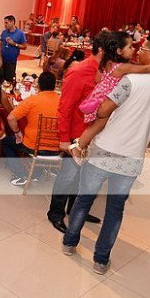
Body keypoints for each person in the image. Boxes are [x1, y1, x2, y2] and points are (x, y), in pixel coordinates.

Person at [62, 33, 150, 275]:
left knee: (84, 200)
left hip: (106, 148)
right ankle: (101, 261)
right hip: (133, 157)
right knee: (115, 211)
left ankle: (69, 243)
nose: (138, 51)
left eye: (142, 49)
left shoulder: (131, 79)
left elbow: (103, 110)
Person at [47, 33, 107, 233]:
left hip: (95, 136)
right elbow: (64, 108)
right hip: (76, 136)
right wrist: (64, 138)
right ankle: (55, 213)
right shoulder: (79, 71)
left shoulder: (108, 72)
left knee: (84, 177)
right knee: (67, 177)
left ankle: (74, 210)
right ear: (103, 50)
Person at [77, 31, 150, 126]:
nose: (135, 51)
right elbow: (146, 69)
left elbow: (102, 107)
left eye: (141, 49)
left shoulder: (125, 75)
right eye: (131, 47)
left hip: (105, 112)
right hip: (138, 132)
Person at [3, 72, 61, 186]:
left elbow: (10, 118)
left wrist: (17, 132)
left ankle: (20, 174)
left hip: (34, 146)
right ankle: (36, 173)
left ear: (38, 86)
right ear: (54, 86)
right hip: (57, 147)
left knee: (6, 142)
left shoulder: (33, 100)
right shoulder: (62, 101)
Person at [1, 15, 27, 82]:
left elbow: (24, 46)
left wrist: (14, 44)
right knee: (0, 79)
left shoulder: (20, 33)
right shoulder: (4, 32)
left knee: (9, 80)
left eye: (6, 23)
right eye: (4, 23)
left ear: (12, 22)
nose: (5, 25)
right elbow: (1, 43)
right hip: (1, 60)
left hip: (11, 61)